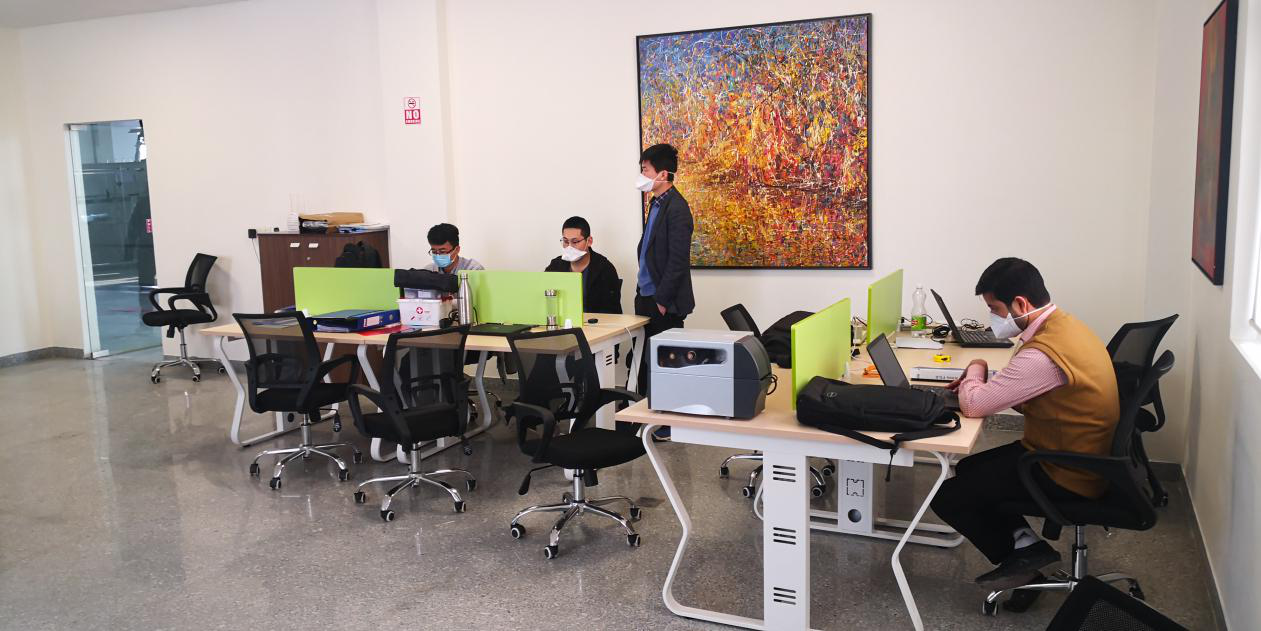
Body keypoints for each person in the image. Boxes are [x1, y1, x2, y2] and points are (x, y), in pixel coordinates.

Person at [931, 258, 1120, 600]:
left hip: (1067, 469)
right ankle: (1026, 549)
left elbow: (974, 406)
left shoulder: (1043, 354)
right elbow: (1031, 393)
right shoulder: (1064, 326)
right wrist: (991, 383)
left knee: (949, 497)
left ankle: (1022, 565)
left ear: (1020, 304)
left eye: (994, 309)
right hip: (1079, 451)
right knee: (970, 467)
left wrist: (976, 366)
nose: (993, 317)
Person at [635, 143, 694, 439]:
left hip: (663, 301)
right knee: (647, 361)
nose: (642, 175)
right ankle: (647, 417)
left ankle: (668, 425)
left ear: (663, 174)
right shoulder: (656, 203)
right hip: (646, 295)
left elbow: (678, 260)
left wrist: (662, 299)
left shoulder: (678, 208)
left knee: (667, 363)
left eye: (645, 169)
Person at [544, 216, 622, 314]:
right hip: (562, 321)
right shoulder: (555, 266)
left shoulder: (604, 269)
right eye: (566, 241)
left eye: (575, 242)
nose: (569, 247)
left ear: (589, 241)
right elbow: (544, 298)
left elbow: (611, 311)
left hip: (594, 322)